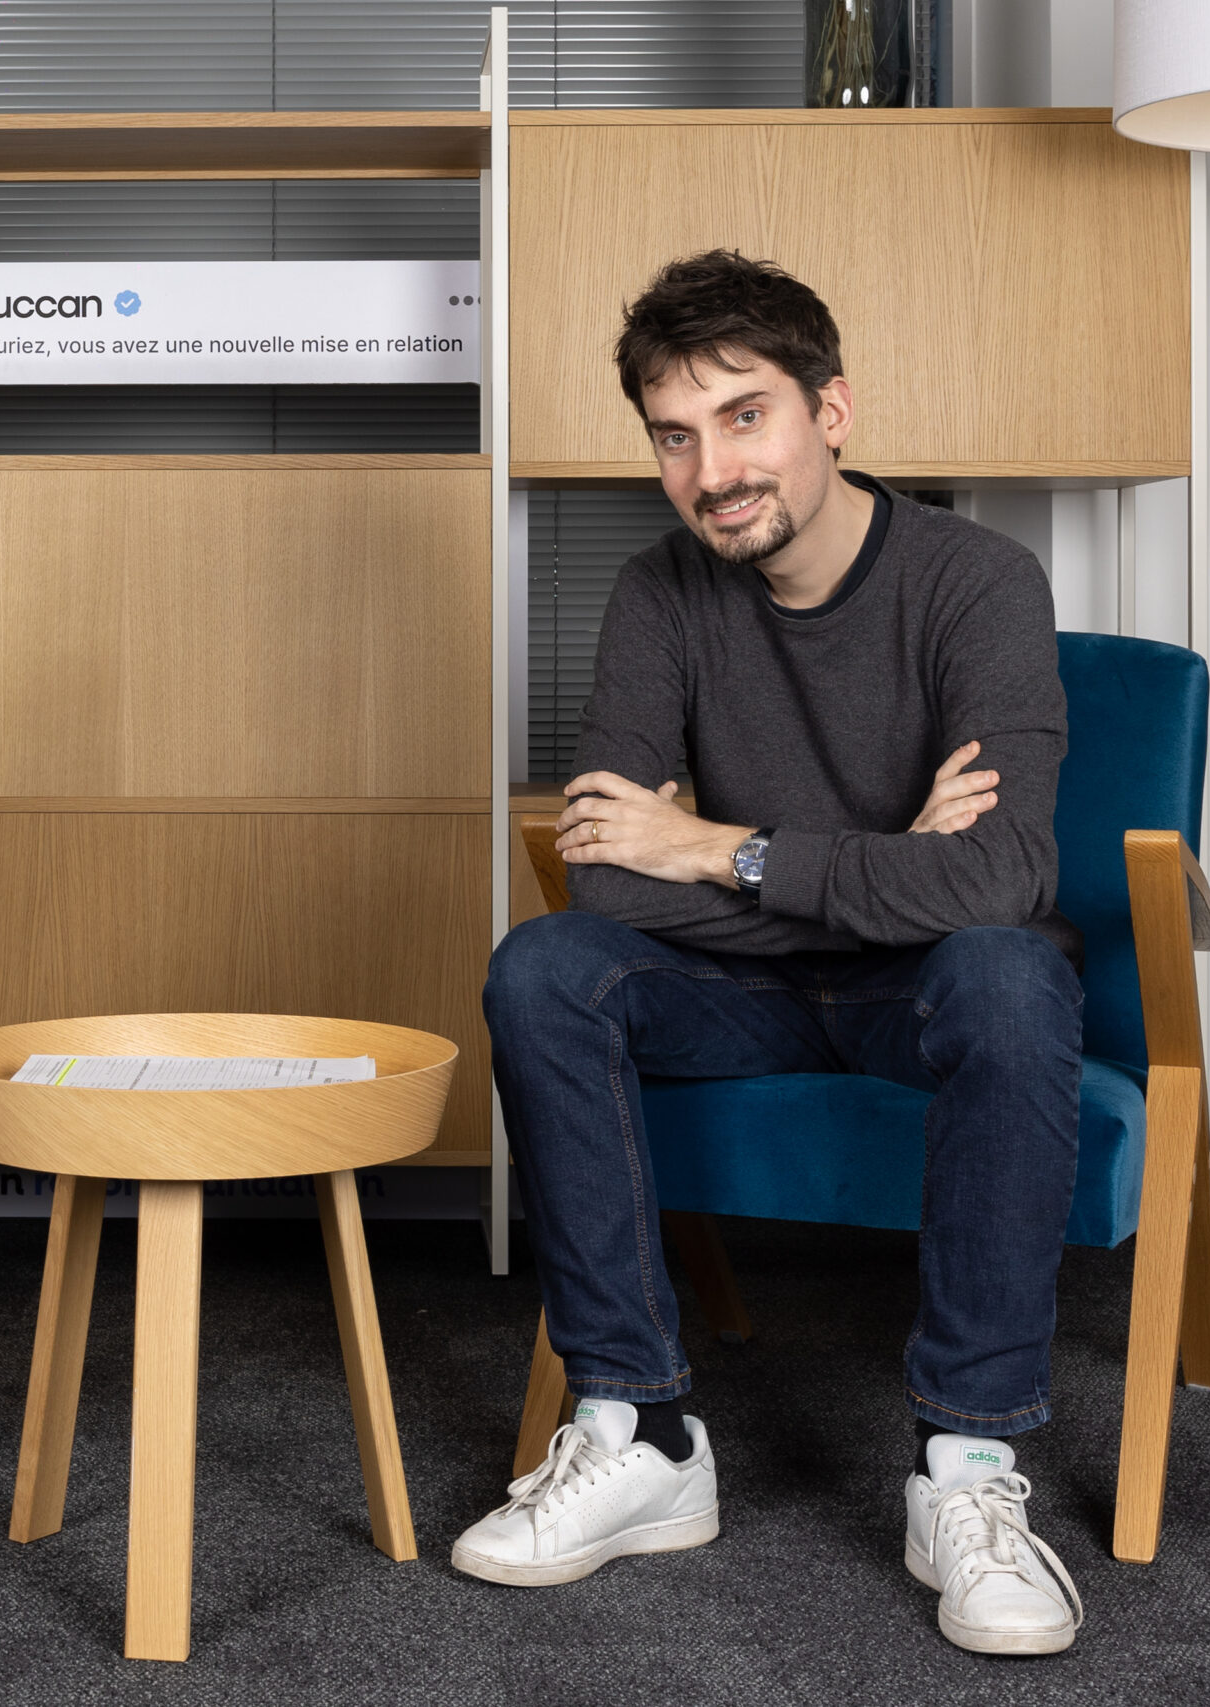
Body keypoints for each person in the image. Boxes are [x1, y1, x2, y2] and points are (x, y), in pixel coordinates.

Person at [452, 251, 1087, 1656]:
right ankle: (642, 1430)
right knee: (546, 965)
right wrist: (890, 864)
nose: (713, 469)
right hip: (736, 995)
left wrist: (720, 847)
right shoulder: (659, 593)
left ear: (831, 411)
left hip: (924, 992)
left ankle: (967, 1467)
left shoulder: (978, 581)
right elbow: (607, 877)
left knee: (1008, 969)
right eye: (675, 436)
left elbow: (1001, 879)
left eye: (745, 417)